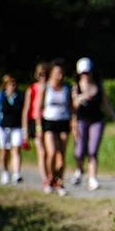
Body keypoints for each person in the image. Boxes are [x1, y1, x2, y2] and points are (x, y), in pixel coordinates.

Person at [71, 57, 115, 191]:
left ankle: (92, 178)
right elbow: (72, 107)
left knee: (93, 150)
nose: (86, 75)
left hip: (97, 120)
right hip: (81, 121)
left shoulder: (99, 86)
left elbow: (107, 105)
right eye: (83, 73)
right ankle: (79, 169)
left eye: (87, 72)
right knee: (79, 151)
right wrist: (82, 97)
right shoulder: (76, 87)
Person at [40, 59, 73, 196]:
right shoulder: (46, 87)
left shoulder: (67, 88)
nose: (60, 75)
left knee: (62, 156)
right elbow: (39, 108)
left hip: (63, 122)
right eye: (57, 72)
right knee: (52, 152)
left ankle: (59, 181)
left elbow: (71, 108)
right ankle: (49, 178)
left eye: (61, 73)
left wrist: (74, 123)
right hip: (49, 122)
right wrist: (37, 126)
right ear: (51, 73)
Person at [0, 74, 25, 184]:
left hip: (17, 127)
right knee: (4, 151)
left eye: (14, 84)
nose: (13, 86)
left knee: (16, 149)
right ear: (5, 85)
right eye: (10, 84)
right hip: (2, 127)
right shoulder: (0, 97)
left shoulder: (20, 96)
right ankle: (5, 172)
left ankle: (16, 173)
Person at [22, 62, 50, 192]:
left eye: (45, 73)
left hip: (49, 120)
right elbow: (26, 110)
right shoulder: (32, 89)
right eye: (40, 74)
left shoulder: (52, 87)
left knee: (50, 152)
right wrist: (25, 131)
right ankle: (45, 179)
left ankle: (51, 176)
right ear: (36, 75)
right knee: (42, 152)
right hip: (34, 121)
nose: (43, 76)